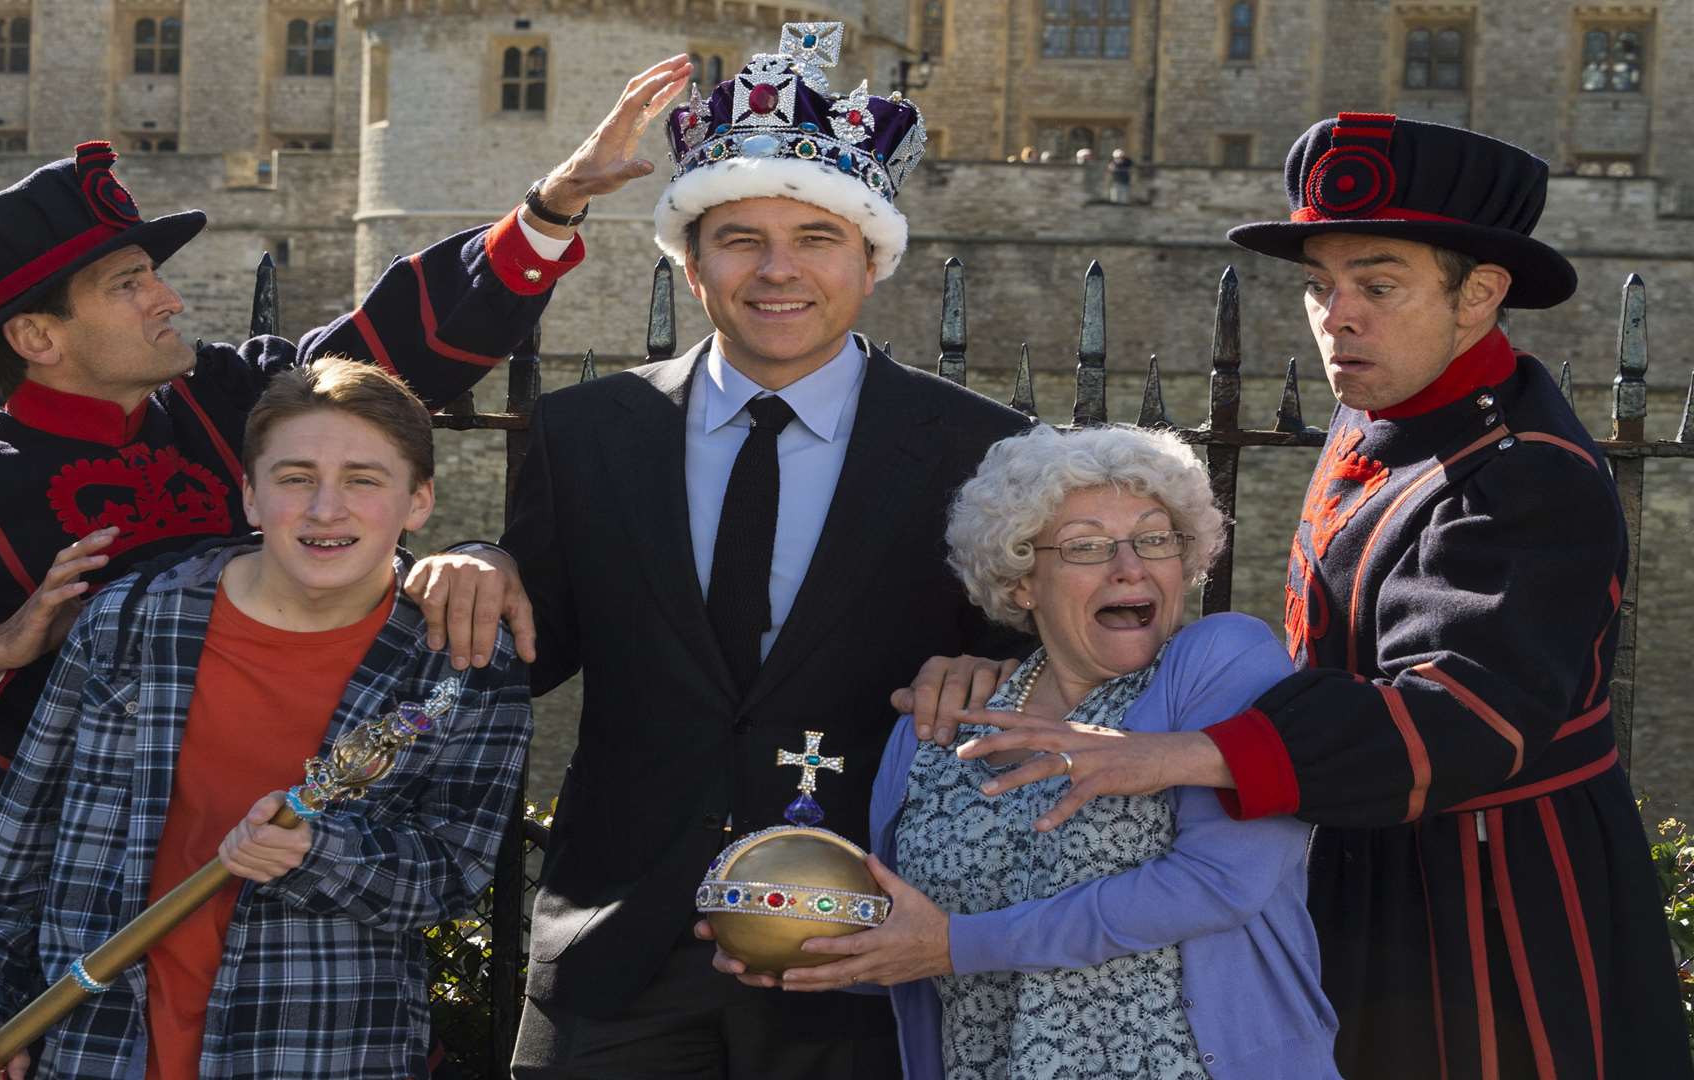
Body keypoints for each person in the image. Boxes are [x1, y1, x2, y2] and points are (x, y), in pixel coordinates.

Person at [0, 57, 690, 1080]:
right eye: (130, 284)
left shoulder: (230, 394)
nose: (169, 299)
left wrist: (551, 206)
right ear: (37, 335)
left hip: (305, 890)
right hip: (70, 893)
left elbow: (385, 363)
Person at [907, 114, 1693, 1079]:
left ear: (1481, 294)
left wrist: (1181, 755)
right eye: (1321, 286)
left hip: (1490, 894)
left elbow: (1465, 719)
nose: (1337, 315)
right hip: (1356, 855)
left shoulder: (1528, 474)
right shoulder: (1380, 416)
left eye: (1378, 283)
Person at [406, 23, 1035, 1077]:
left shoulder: (984, 447)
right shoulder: (586, 431)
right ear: (690, 261)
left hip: (867, 945)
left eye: (817, 238)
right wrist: (476, 560)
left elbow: (1062, 665)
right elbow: (535, 637)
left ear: (871, 259)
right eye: (740, 238)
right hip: (619, 943)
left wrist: (1007, 672)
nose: (777, 271)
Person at [0, 357, 533, 1080]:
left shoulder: (460, 660)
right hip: (96, 1047)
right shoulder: (134, 619)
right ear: (249, 495)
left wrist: (317, 853)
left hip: (318, 1051)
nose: (325, 508)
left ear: (419, 502)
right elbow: (20, 832)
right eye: (294, 478)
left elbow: (451, 874)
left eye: (363, 480)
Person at [756, 424, 1339, 1080]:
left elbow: (1217, 884)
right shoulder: (939, 728)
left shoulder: (1217, 663)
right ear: (1022, 579)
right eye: (1086, 546)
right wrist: (795, 946)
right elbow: (914, 947)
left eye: (1154, 539)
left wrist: (956, 946)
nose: (1130, 567)